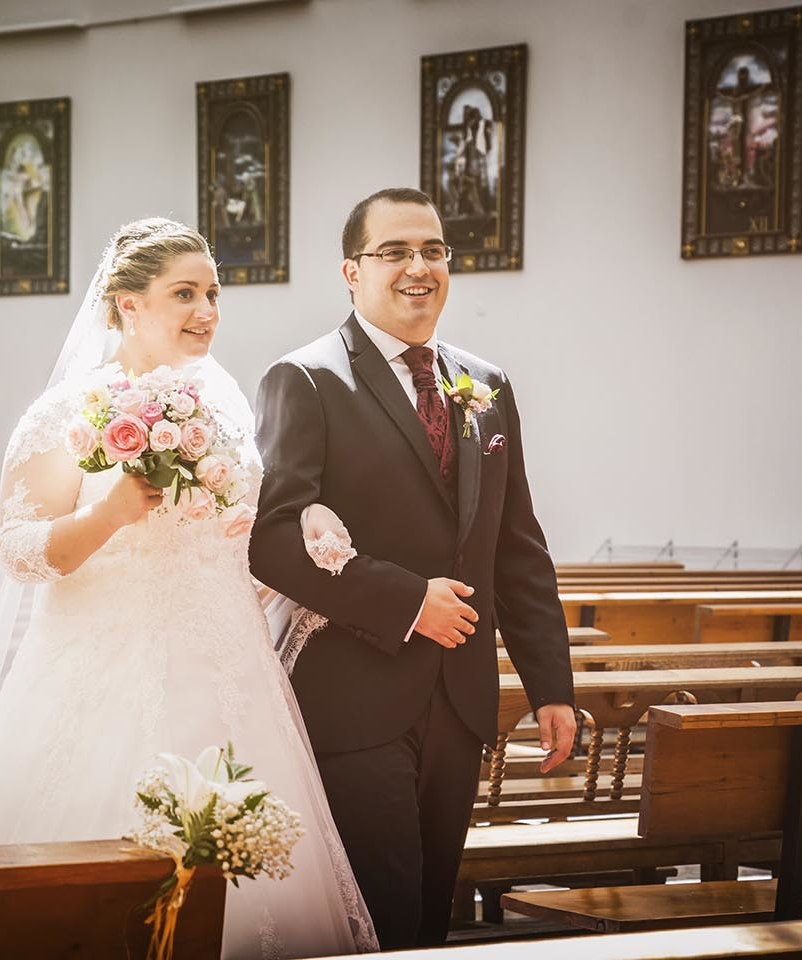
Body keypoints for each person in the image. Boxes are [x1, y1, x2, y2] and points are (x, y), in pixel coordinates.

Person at [0, 218, 377, 958]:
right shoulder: (63, 412)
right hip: (99, 671)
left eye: (213, 293)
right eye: (184, 293)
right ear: (127, 304)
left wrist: (304, 520)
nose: (207, 310)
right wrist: (108, 514)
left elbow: (238, 533)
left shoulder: (225, 408)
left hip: (226, 676)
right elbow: (20, 551)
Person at [249, 187, 577, 949]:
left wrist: (550, 686)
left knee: (431, 914)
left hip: (460, 699)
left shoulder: (485, 385)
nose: (416, 267)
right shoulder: (306, 379)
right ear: (351, 272)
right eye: (392, 252)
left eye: (432, 250)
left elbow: (517, 547)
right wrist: (404, 601)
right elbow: (271, 537)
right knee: (382, 917)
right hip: (354, 697)